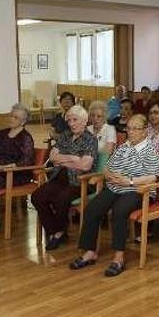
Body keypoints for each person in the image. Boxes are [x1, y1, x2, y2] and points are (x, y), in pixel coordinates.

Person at [70, 114, 159, 277]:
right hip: (115, 187)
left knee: (119, 212)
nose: (131, 132)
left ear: (145, 131)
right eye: (129, 128)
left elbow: (153, 176)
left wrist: (129, 181)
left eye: (135, 129)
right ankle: (90, 252)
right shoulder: (124, 146)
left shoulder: (150, 150)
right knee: (92, 209)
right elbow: (107, 167)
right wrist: (110, 175)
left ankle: (119, 258)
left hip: (138, 190)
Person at [31, 105, 96, 250]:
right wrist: (72, 158)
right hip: (59, 176)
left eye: (75, 120)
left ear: (84, 121)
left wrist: (63, 159)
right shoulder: (66, 135)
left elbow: (85, 165)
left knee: (60, 199)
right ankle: (56, 230)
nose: (71, 123)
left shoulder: (90, 139)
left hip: (80, 181)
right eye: (69, 120)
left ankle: (58, 233)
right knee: (37, 197)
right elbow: (53, 157)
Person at [0, 103, 35, 237]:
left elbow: (26, 161)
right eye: (11, 115)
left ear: (23, 121)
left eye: (16, 117)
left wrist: (2, 168)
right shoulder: (2, 133)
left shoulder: (25, 138)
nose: (11, 119)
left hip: (15, 174)